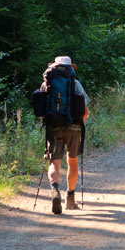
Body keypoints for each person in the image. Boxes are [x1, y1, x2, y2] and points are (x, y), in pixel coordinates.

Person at [40, 56, 90, 214]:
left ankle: (55, 191)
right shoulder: (75, 84)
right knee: (72, 161)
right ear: (70, 68)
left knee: (54, 162)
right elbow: (85, 111)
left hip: (54, 127)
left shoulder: (47, 83)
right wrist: (82, 126)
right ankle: (70, 199)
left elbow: (41, 109)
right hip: (74, 127)